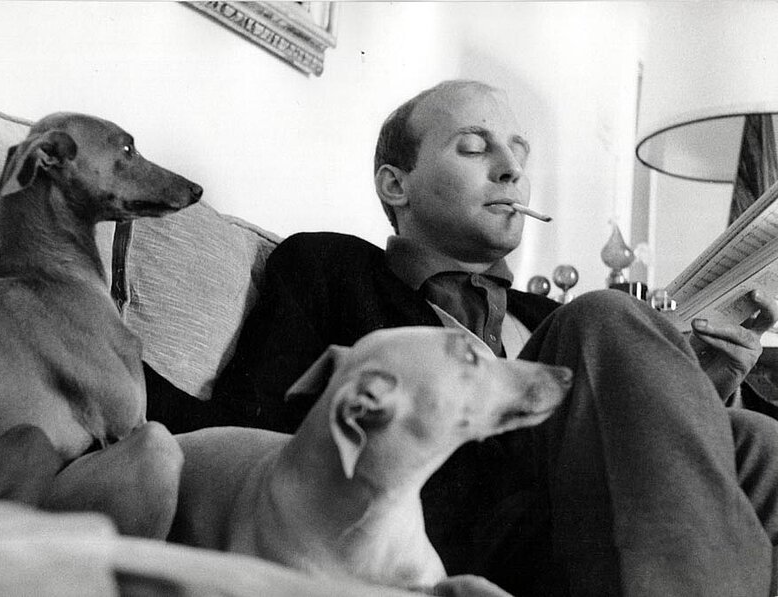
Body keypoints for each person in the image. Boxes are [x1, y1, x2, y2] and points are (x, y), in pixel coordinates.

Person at [206, 80, 778, 596]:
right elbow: (260, 424)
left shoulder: (545, 313)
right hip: (442, 525)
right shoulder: (332, 269)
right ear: (396, 184)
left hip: (584, 523)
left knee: (755, 438)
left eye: (519, 152)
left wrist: (705, 387)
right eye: (474, 147)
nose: (511, 170)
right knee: (605, 314)